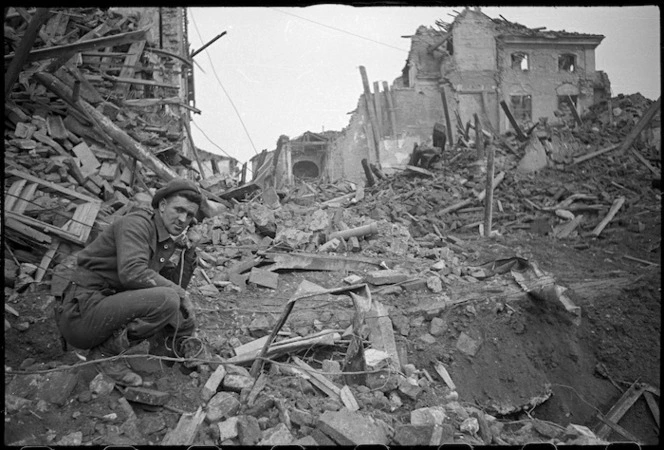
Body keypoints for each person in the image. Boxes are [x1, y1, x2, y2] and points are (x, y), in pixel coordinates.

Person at [56, 178, 204, 386]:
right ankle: (104, 356)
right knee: (170, 298)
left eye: (189, 215)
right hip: (82, 314)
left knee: (175, 304)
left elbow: (170, 283)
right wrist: (179, 294)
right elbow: (133, 273)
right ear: (162, 206)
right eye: (178, 209)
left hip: (105, 309)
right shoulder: (136, 224)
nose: (183, 219)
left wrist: (190, 250)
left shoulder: (162, 237)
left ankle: (177, 349)